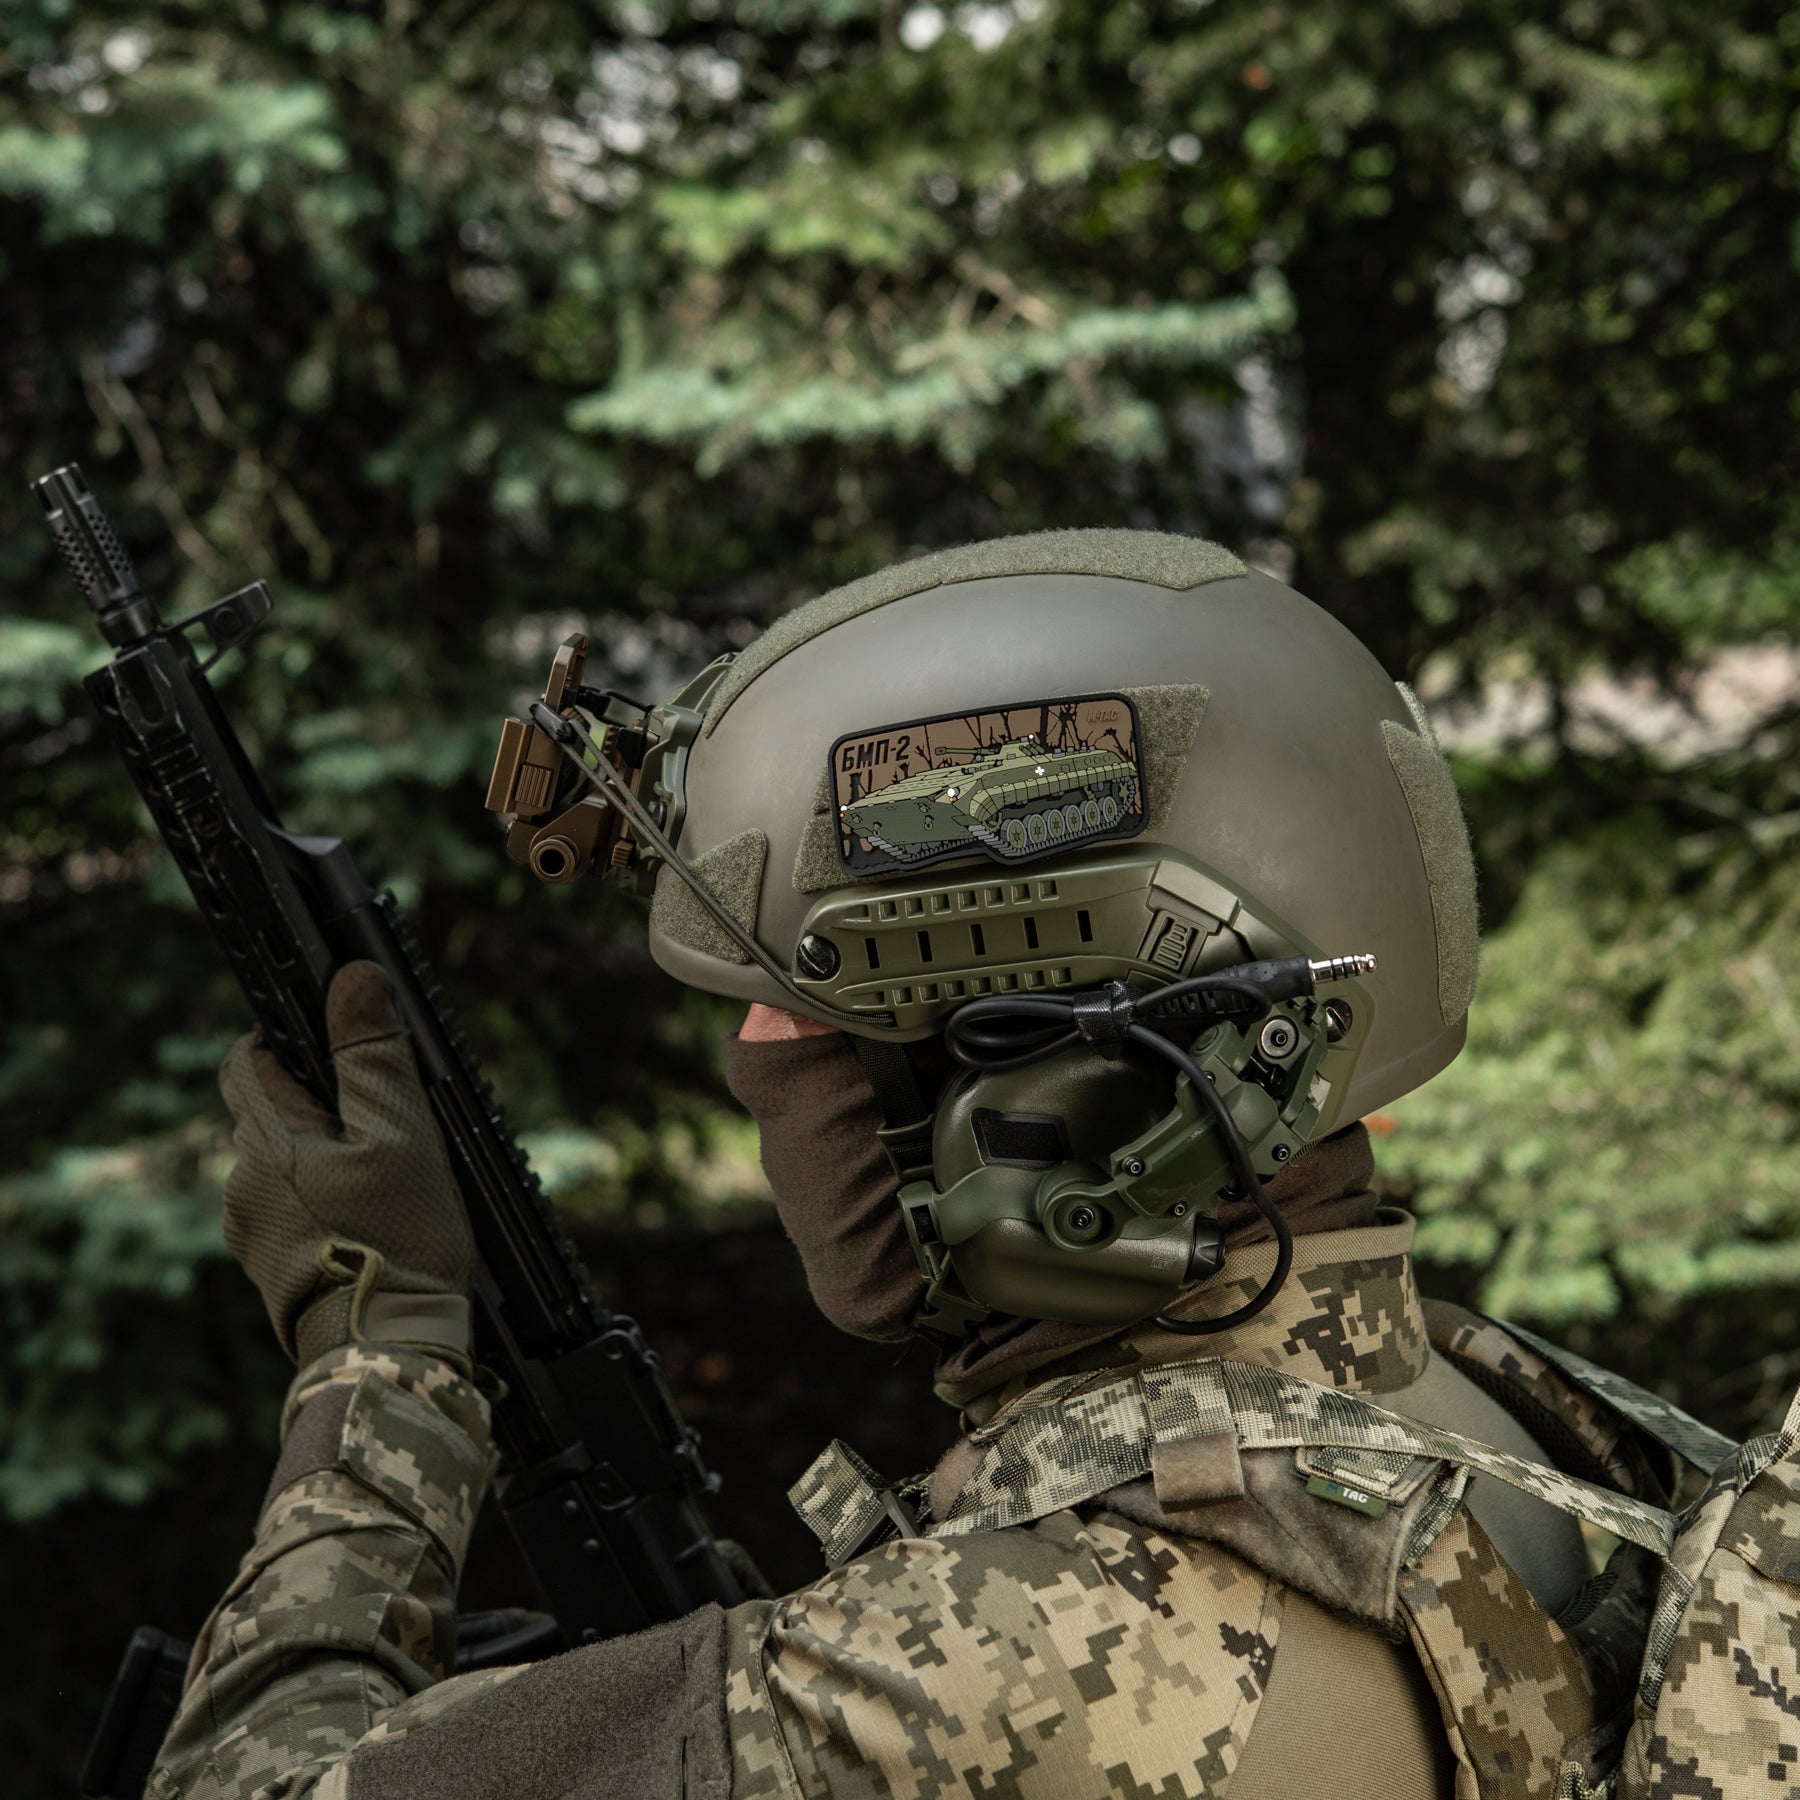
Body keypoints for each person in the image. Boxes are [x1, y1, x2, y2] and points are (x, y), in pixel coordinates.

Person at [151, 530, 1727, 1800]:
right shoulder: (1509, 1415)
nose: (757, 1054)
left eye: (813, 1008)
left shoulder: (987, 1668)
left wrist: (378, 1352)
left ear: (1051, 1081)